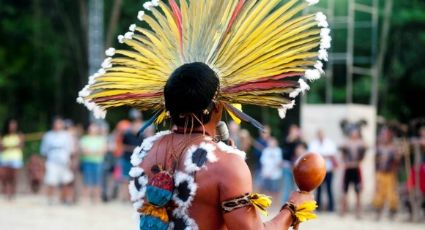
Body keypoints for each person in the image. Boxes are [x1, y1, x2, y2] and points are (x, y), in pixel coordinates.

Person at [77, 0, 330, 228]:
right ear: (220, 105)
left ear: (167, 107)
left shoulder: (145, 152)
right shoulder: (228, 166)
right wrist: (293, 207)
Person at [40, 116, 74, 204]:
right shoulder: (48, 135)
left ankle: (65, 199)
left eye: (60, 123)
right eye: (57, 123)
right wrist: (44, 162)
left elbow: (70, 149)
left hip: (64, 161)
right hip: (52, 161)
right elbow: (44, 151)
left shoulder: (67, 136)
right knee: (51, 181)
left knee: (66, 181)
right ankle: (50, 199)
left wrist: (70, 161)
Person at [373, 127, 401, 219]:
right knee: (379, 193)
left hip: (390, 174)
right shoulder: (379, 147)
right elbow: (376, 161)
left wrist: (398, 156)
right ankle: (378, 212)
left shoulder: (393, 148)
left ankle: (392, 212)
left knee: (391, 194)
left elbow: (397, 161)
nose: (383, 138)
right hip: (381, 173)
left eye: (385, 136)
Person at [340, 128, 367, 218]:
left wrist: (355, 163)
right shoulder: (346, 143)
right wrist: (347, 163)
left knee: (358, 191)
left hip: (356, 169)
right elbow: (343, 155)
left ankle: (358, 212)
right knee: (345, 191)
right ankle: (343, 211)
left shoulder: (360, 143)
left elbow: (363, 155)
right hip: (348, 169)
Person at [309, 129, 338, 212]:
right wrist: (325, 156)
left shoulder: (329, 143)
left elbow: (332, 155)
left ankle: (331, 208)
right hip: (318, 170)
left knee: (329, 188)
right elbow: (312, 155)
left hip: (328, 169)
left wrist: (320, 155)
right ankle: (318, 207)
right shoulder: (313, 143)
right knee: (319, 189)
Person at [119, 109, 144, 201]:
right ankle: (124, 198)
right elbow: (122, 146)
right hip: (127, 159)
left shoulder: (142, 135)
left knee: (134, 180)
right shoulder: (127, 134)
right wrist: (133, 149)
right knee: (125, 179)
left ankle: (132, 198)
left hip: (137, 161)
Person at [79, 122, 107, 203]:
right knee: (86, 181)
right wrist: (96, 152)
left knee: (97, 181)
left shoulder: (101, 139)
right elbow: (84, 151)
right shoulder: (84, 138)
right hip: (87, 162)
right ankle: (85, 199)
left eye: (94, 127)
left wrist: (90, 151)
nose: (93, 129)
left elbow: (103, 151)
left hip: (98, 162)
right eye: (91, 127)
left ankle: (96, 199)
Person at [0, 118, 24, 200]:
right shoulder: (3, 135)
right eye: (11, 125)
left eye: (14, 125)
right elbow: (1, 147)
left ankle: (12, 193)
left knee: (13, 177)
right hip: (4, 158)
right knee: (4, 177)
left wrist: (7, 147)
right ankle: (6, 192)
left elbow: (20, 145)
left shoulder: (19, 134)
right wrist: (13, 146)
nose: (12, 127)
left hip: (15, 158)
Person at [281, 124, 304, 203]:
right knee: (287, 187)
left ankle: (294, 204)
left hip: (295, 166)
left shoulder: (298, 141)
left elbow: (300, 150)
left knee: (295, 187)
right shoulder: (287, 140)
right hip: (287, 166)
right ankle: (285, 204)